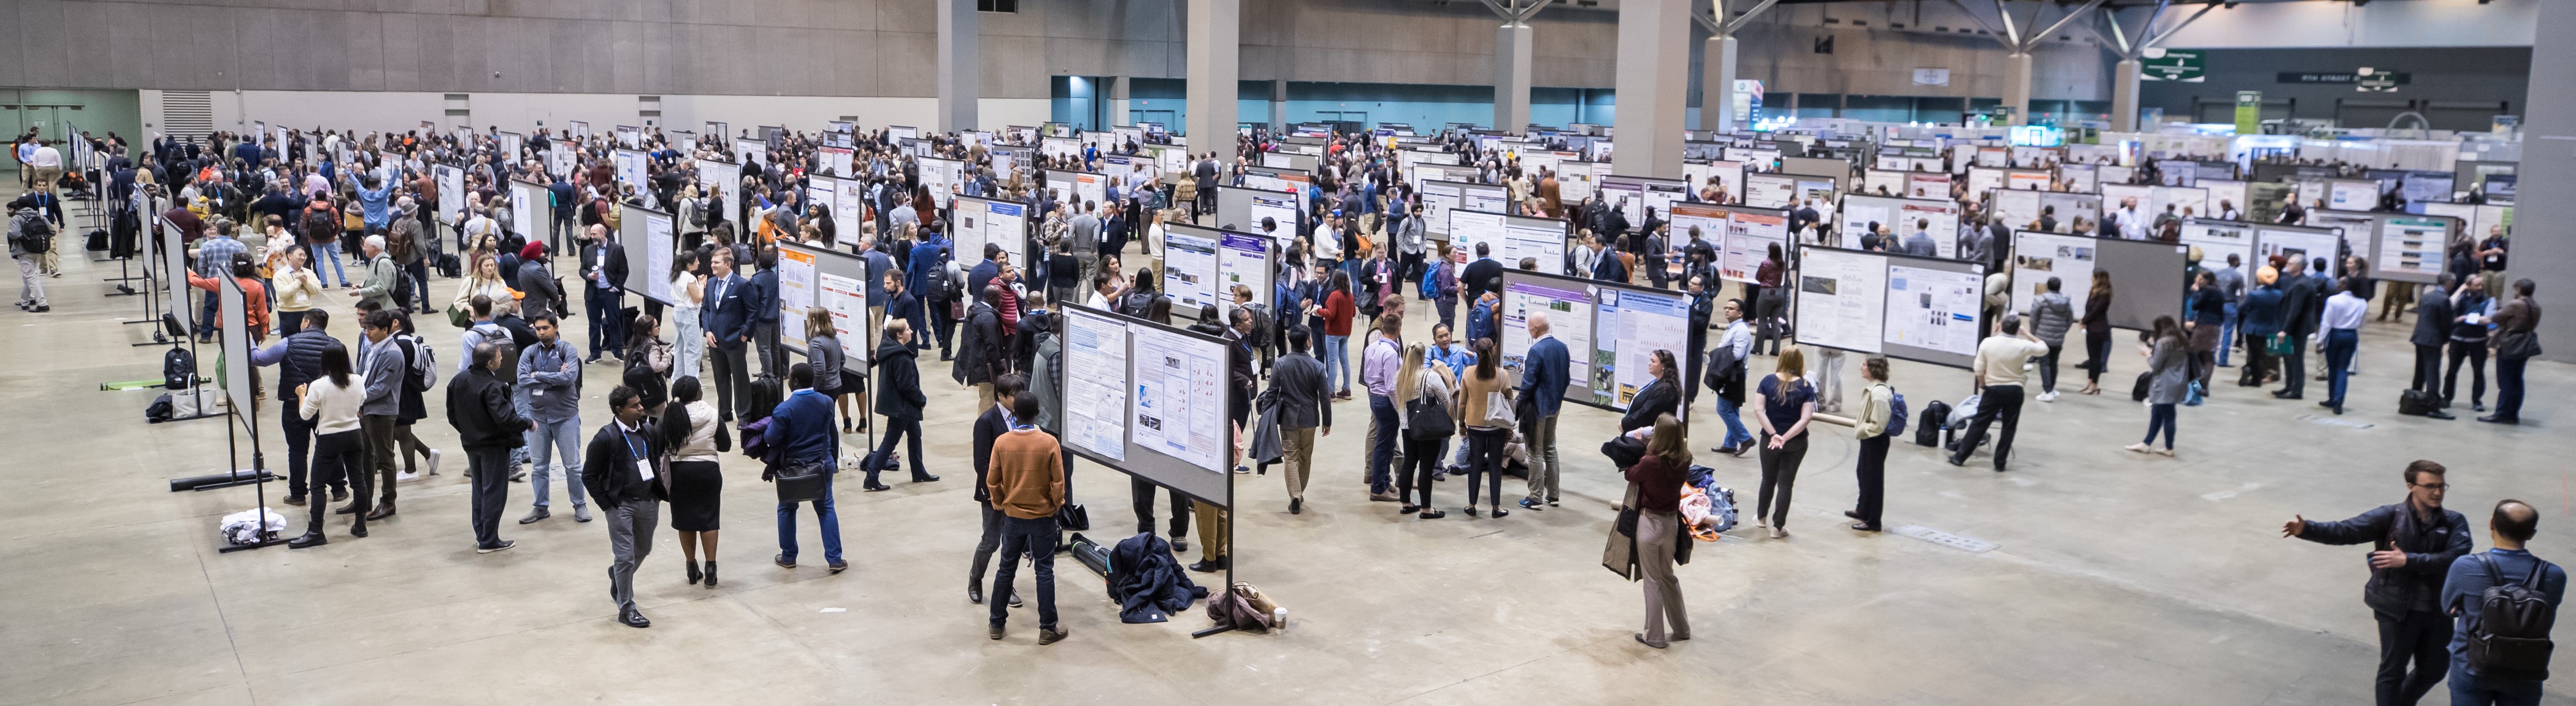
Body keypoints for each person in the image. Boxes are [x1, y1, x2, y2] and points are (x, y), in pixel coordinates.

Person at [2283, 460, 2473, 706]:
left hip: (2438, 609)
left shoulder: (2454, 521)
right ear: (2411, 486)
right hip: (2395, 607)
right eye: (2430, 486)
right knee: (2392, 671)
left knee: (2434, 670)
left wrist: (2408, 560)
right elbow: (2347, 531)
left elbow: (2457, 556)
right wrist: (2307, 529)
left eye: (2441, 486)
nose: (2437, 493)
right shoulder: (2391, 516)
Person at [2442, 499, 2566, 705]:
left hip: (2472, 666)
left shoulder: (2464, 566)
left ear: (2492, 525)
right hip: (2525, 670)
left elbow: (2448, 607)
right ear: (2531, 534)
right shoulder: (2554, 575)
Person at [986, 391, 1070, 645]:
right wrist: (1056, 505)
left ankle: (997, 624)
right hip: (1043, 517)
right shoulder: (1048, 443)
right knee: (1045, 570)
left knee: (1006, 568)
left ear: (1014, 414)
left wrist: (1001, 503)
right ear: (1037, 413)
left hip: (1013, 516)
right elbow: (1059, 483)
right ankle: (1047, 629)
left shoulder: (1002, 443)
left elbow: (992, 481)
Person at [584, 386, 666, 628]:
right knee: (625, 556)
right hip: (621, 506)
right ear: (620, 411)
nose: (642, 408)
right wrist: (608, 505)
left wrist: (657, 495)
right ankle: (626, 607)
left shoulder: (648, 431)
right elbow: (588, 475)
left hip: (648, 501)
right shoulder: (605, 438)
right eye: (635, 406)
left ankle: (618, 575)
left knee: (643, 549)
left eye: (640, 403)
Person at [448, 341, 528, 553]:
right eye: (500, 357)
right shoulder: (494, 386)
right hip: (493, 446)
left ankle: (481, 533)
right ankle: (489, 540)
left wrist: (469, 431)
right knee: (494, 492)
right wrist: (526, 423)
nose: (502, 359)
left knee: (479, 489)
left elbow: (452, 415)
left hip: (471, 444)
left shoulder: (459, 380)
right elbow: (505, 418)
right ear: (491, 363)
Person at [767, 362, 847, 573]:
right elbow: (832, 433)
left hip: (793, 470)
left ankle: (789, 556)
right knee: (826, 508)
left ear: (794, 382)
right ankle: (835, 559)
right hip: (822, 465)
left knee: (786, 508)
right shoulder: (827, 402)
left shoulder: (784, 409)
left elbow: (771, 438)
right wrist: (831, 460)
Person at [288, 345, 369, 548]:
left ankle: (316, 530)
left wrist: (301, 395)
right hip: (354, 435)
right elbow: (361, 403)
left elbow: (305, 415)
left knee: (317, 486)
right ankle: (361, 525)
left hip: (329, 438)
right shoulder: (358, 380)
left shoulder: (318, 385)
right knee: (358, 482)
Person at [1948, 315, 2049, 471]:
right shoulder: (2023, 345)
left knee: (1979, 423)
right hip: (2015, 390)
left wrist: (1983, 384)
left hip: (1993, 389)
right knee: (2009, 427)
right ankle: (2000, 463)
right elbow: (2044, 348)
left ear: (2001, 326)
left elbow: (1979, 368)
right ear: (2017, 329)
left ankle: (1960, 457)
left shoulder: (1988, 343)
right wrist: (2027, 334)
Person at [1627, 413, 1693, 650]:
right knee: (1668, 575)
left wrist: (1639, 445)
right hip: (1671, 525)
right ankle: (1682, 628)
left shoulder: (1650, 462)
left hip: (1649, 522)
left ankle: (1654, 636)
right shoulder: (1685, 459)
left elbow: (1630, 474)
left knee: (1652, 580)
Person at [516, 315, 589, 523]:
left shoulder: (568, 350)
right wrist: (553, 376)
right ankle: (540, 507)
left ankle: (580, 505)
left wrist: (537, 376)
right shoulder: (529, 353)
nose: (541, 332)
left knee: (573, 466)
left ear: (556, 328)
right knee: (539, 467)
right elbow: (522, 380)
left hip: (566, 417)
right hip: (538, 417)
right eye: (538, 329)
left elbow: (569, 378)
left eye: (546, 328)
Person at [968, 373, 1033, 606]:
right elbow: (981, 463)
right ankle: (976, 577)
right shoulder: (986, 422)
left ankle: (1006, 585)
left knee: (1012, 542)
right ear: (1001, 396)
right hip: (994, 493)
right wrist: (996, 490)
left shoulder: (1022, 418)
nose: (1019, 400)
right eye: (1015, 396)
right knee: (991, 541)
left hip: (1017, 491)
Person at [659, 377, 727, 587]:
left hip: (679, 473)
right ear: (698, 394)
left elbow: (658, 444)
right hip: (708, 471)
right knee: (709, 520)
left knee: (685, 520)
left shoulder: (667, 417)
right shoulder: (713, 415)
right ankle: (711, 568)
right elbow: (725, 445)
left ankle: (691, 567)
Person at [865, 319, 937, 490]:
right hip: (901, 407)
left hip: (898, 405)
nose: (911, 332)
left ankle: (918, 471)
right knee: (890, 441)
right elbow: (906, 385)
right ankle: (871, 477)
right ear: (899, 335)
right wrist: (922, 399)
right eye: (908, 330)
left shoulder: (888, 350)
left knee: (915, 434)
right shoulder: (902, 357)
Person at [1752, 347, 1815, 539]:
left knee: (1768, 478)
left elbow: (1759, 410)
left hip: (1769, 441)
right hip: (1796, 443)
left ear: (1781, 359)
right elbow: (1805, 419)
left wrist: (1774, 434)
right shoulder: (1806, 387)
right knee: (1786, 484)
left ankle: (1761, 518)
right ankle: (1778, 528)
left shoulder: (1767, 381)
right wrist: (1786, 437)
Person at [1268, 326, 1331, 515]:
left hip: (1288, 418)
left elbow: (1271, 393)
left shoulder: (1281, 364)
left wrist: (1266, 419)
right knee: (1305, 457)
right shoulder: (1318, 366)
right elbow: (1324, 397)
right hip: (1309, 419)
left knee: (1290, 457)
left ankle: (1295, 496)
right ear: (1308, 342)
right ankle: (1299, 493)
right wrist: (1327, 421)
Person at [1395, 341, 1457, 519]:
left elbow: (1397, 400)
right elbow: (1446, 400)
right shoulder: (1429, 376)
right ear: (1423, 357)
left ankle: (1406, 503)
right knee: (1426, 468)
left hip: (1407, 426)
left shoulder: (1400, 376)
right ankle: (1427, 509)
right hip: (1426, 428)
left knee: (1409, 463)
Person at [355, 311, 407, 520]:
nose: (367, 333)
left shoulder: (392, 353)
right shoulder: (371, 347)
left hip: (381, 412)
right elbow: (362, 375)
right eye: (366, 329)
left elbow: (381, 388)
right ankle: (364, 498)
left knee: (384, 458)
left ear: (385, 330)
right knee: (365, 456)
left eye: (371, 329)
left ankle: (388, 502)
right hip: (366, 409)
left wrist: (357, 398)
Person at [1457, 337, 1515, 518]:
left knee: (1475, 465)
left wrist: (1461, 423)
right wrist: (1510, 426)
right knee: (1495, 466)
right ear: (1494, 350)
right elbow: (1510, 401)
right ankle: (1496, 507)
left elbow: (1462, 403)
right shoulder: (1502, 375)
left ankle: (1471, 505)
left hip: (1474, 425)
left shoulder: (1468, 373)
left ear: (1477, 352)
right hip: (1496, 426)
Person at [702, 250, 754, 423]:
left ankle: (744, 414)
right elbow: (706, 309)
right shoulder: (711, 283)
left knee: (740, 378)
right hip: (715, 341)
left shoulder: (741, 285)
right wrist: (707, 331)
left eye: (717, 262)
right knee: (720, 377)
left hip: (735, 340)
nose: (713, 265)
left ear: (728, 265)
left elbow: (753, 313)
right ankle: (725, 412)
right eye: (712, 262)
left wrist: (744, 335)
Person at [2128, 316, 2191, 458]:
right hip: (2178, 380)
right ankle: (2147, 443)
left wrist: (2147, 354)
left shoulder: (2164, 343)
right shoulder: (2181, 338)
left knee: (2168, 415)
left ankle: (2169, 448)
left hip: (2165, 383)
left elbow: (2155, 365)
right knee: (2157, 412)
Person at [1360, 313, 1406, 502]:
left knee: (1386, 443)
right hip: (1386, 401)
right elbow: (1392, 387)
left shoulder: (1372, 348)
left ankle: (1385, 481)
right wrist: (1400, 409)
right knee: (1384, 445)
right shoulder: (1391, 354)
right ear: (1399, 330)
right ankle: (1378, 488)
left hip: (1374, 396)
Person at [2483, 278, 2540, 425]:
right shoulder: (2536, 306)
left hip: (2510, 345)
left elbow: (2495, 318)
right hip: (2524, 345)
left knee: (2506, 381)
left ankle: (2502, 413)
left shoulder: (2516, 304)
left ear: (2518, 289)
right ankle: (2513, 414)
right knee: (2517, 380)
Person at [1848, 356, 1895, 532]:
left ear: (1873, 369)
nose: (1861, 367)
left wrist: (1863, 431)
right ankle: (1863, 509)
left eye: (1864, 365)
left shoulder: (1879, 394)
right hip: (1869, 438)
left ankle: (1873, 520)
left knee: (1873, 480)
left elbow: (1878, 424)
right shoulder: (1873, 389)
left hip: (1875, 439)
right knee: (1863, 473)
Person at [1707, 298, 1755, 454]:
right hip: (1731, 374)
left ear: (1740, 313)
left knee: (1724, 409)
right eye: (1726, 307)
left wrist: (1717, 355)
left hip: (1732, 376)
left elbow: (1737, 354)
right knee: (1733, 410)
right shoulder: (1733, 328)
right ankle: (1730, 444)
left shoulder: (1740, 330)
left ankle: (1745, 438)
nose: (1727, 310)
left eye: (1732, 308)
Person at [2275, 258, 2326, 401]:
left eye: (2290, 264)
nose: (2287, 266)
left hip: (2296, 329)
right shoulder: (2297, 281)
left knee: (2295, 359)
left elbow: (2295, 310)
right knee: (2287, 357)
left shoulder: (2302, 284)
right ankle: (2289, 386)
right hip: (2291, 327)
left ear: (2298, 266)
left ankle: (2296, 390)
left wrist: (2285, 330)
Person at [2444, 275, 2493, 414]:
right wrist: (2460, 289)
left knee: (2478, 372)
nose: (2480, 287)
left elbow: (2488, 319)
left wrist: (2465, 318)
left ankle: (2477, 401)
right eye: (2477, 285)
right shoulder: (2460, 298)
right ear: (2469, 285)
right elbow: (2449, 307)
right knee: (2452, 371)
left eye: (2481, 284)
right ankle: (2447, 398)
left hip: (2478, 342)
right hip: (2457, 340)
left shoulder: (2489, 300)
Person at [2320, 277, 2369, 415]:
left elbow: (2326, 323)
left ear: (2345, 285)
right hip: (2351, 335)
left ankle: (2332, 398)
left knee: (2333, 368)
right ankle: (2339, 401)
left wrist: (2320, 341)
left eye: (2341, 282)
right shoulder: (2362, 302)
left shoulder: (2334, 300)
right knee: (2343, 369)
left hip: (2336, 335)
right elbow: (2363, 324)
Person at [2027, 276, 2075, 401]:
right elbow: (2070, 320)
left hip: (2042, 337)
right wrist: (2063, 331)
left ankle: (2047, 391)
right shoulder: (2066, 302)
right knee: (2054, 363)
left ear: (2048, 286)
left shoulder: (2040, 300)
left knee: (2044, 363)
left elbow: (2033, 318)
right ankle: (2052, 389)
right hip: (2058, 338)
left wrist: (2034, 334)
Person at [2240, 267, 2288, 389]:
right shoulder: (2279, 294)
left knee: (2254, 355)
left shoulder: (2254, 294)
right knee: (2267, 354)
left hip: (2253, 327)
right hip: (2271, 327)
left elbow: (2241, 308)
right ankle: (2258, 374)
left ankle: (2253, 375)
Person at [1620, 350, 1681, 433]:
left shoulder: (1664, 390)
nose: (1649, 363)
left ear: (1663, 366)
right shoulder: (1658, 382)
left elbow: (1646, 414)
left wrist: (1625, 424)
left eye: (1653, 361)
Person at [2077, 270, 2113, 396]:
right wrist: (2084, 321)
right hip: (2091, 328)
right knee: (2092, 357)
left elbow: (2096, 311)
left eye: (2093, 276)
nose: (2091, 278)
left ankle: (2095, 385)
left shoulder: (2105, 294)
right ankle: (2089, 383)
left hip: (2099, 329)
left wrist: (2084, 320)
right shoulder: (2094, 291)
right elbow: (2089, 309)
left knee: (2096, 358)